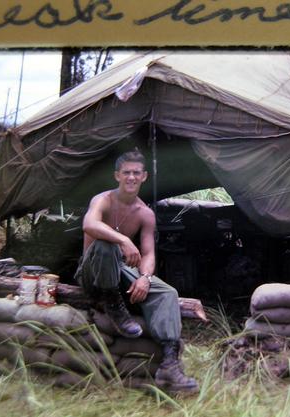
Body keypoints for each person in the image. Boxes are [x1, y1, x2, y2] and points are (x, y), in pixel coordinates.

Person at [73, 148, 198, 392]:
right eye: (126, 172)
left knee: (168, 293)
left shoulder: (145, 213)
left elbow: (149, 254)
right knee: (105, 244)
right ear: (117, 175)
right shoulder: (103, 200)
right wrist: (123, 240)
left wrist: (145, 278)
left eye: (136, 173)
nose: (131, 177)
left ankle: (170, 366)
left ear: (144, 177)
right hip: (91, 271)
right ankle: (113, 305)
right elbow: (89, 225)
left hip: (119, 271)